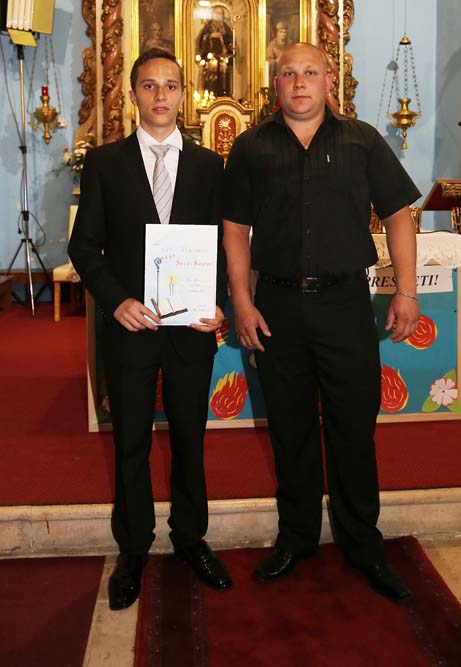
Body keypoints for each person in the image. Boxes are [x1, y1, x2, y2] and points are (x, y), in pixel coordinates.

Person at [223, 43, 420, 602]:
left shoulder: (362, 140)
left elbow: (398, 215)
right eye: (289, 73)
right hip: (278, 307)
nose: (299, 82)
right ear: (276, 84)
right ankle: (297, 537)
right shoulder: (251, 146)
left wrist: (406, 291)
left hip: (344, 305)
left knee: (352, 428)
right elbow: (234, 229)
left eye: (310, 72)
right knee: (290, 428)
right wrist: (242, 301)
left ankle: (363, 544)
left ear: (329, 80)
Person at [69, 48, 232, 611]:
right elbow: (84, 247)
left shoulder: (210, 166)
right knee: (131, 439)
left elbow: (225, 244)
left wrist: (219, 302)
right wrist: (116, 302)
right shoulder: (105, 163)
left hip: (190, 329)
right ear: (134, 94)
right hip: (131, 327)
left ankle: (191, 538)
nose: (161, 95)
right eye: (149, 85)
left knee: (190, 435)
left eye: (171, 85)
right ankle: (133, 548)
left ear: (184, 94)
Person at [196, 5, 234, 96]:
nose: (218, 15)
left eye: (220, 13)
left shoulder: (226, 28)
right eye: (216, 13)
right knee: (210, 82)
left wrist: (230, 47)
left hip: (222, 60)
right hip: (210, 61)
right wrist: (210, 36)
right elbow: (201, 41)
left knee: (223, 81)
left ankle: (223, 96)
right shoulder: (207, 27)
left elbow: (230, 42)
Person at [265, 20, 291, 88]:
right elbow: (268, 61)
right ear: (277, 33)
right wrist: (276, 61)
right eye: (281, 32)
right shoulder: (272, 45)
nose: (283, 34)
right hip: (276, 74)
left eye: (285, 32)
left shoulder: (290, 44)